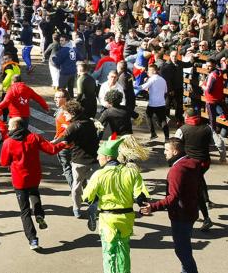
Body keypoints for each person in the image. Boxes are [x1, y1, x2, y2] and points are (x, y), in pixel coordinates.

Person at [82, 135, 150, 273]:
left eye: (99, 155)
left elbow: (87, 198)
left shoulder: (98, 175)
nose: (97, 158)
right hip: (127, 219)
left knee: (109, 252)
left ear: (107, 157)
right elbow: (140, 197)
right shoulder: (132, 172)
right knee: (123, 250)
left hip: (108, 220)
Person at [0, 118, 70, 250]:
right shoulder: (34, 137)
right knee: (34, 192)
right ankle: (39, 214)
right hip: (34, 176)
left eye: (9, 125)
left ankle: (33, 239)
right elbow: (51, 150)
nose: (8, 128)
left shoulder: (8, 142)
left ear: (15, 126)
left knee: (24, 211)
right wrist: (63, 144)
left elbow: (3, 162)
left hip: (19, 179)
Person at [141, 138, 201, 273]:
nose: (164, 152)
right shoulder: (192, 163)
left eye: (166, 150)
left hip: (181, 215)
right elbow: (200, 189)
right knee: (184, 248)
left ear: (174, 151)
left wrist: (153, 206)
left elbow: (173, 197)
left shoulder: (177, 170)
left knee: (182, 250)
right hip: (190, 211)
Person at [53, 100, 100, 218]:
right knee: (94, 185)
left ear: (72, 113)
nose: (64, 115)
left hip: (79, 161)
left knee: (77, 185)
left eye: (66, 113)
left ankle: (76, 209)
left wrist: (51, 143)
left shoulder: (73, 126)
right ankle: (94, 205)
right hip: (94, 160)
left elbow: (63, 139)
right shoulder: (89, 122)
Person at [174, 109, 217, 231]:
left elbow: (175, 146)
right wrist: (223, 156)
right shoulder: (208, 128)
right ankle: (206, 202)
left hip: (189, 165)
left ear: (187, 116)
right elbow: (219, 143)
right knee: (198, 180)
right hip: (204, 163)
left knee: (193, 188)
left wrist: (174, 163)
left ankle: (205, 217)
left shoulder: (182, 130)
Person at [138, 64, 169, 142]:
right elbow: (165, 91)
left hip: (153, 103)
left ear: (154, 71)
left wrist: (132, 86)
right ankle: (167, 137)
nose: (148, 72)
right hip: (161, 103)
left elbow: (142, 87)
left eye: (149, 70)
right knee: (163, 120)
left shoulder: (152, 79)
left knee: (148, 116)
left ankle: (153, 133)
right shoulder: (163, 79)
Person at [201, 58, 228, 132]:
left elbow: (208, 90)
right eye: (206, 66)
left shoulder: (212, 75)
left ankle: (213, 134)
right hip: (219, 97)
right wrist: (223, 62)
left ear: (214, 65)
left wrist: (202, 85)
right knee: (224, 110)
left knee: (212, 118)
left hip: (211, 100)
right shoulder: (219, 71)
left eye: (209, 66)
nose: (207, 67)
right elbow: (225, 68)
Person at [54, 89, 73, 188]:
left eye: (58, 97)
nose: (55, 99)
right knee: (75, 170)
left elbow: (68, 131)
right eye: (55, 97)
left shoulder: (65, 113)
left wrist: (56, 141)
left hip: (65, 146)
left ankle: (76, 191)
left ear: (65, 98)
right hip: (71, 145)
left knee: (67, 169)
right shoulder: (68, 109)